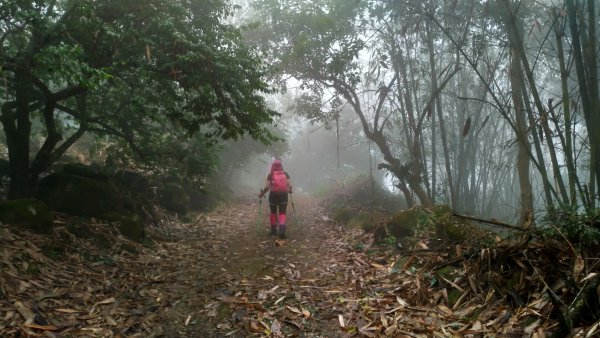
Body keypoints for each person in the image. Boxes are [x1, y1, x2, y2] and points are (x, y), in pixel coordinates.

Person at [259, 159, 292, 238]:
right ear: (281, 166)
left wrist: (262, 194)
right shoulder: (286, 174)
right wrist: (290, 191)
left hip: (273, 196)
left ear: (273, 166)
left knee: (273, 213)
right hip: (283, 196)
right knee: (282, 213)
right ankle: (282, 231)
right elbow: (290, 186)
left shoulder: (270, 175)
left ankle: (273, 231)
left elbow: (267, 187)